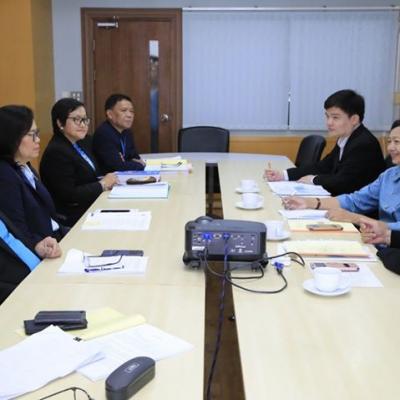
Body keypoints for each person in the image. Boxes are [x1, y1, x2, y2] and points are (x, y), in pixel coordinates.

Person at [282, 120, 400, 230]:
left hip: (386, 242)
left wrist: (355, 218)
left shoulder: (363, 143)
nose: (390, 148)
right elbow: (354, 201)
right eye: (389, 141)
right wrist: (309, 202)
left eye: (397, 142)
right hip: (376, 238)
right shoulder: (388, 176)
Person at [265, 89, 385, 195]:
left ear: (354, 119)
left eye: (335, 117)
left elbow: (344, 182)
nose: (329, 122)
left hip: (359, 210)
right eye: (327, 116)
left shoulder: (364, 144)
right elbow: (323, 167)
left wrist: (313, 180)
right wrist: (284, 175)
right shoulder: (346, 137)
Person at [40, 98, 118, 226]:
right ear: (60, 123)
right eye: (76, 119)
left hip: (91, 204)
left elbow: (93, 173)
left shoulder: (82, 142)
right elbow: (69, 195)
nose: (83, 124)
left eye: (85, 119)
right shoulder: (56, 152)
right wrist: (102, 184)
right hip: (72, 216)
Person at [0, 105, 67, 248]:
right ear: (11, 137)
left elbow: (48, 215)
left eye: (37, 133)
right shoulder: (5, 176)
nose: (37, 140)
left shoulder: (25, 166)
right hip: (43, 248)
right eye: (31, 134)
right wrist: (38, 246)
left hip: (57, 235)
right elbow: (17, 229)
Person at [0, 210, 61, 304]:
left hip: (43, 274)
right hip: (20, 297)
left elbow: (13, 240)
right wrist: (26, 291)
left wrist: (36, 248)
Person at [93, 94, 145, 173]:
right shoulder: (103, 134)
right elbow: (118, 167)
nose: (129, 115)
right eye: (124, 110)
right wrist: (139, 165)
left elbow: (135, 157)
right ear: (110, 114)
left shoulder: (127, 132)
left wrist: (126, 162)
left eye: (132, 111)